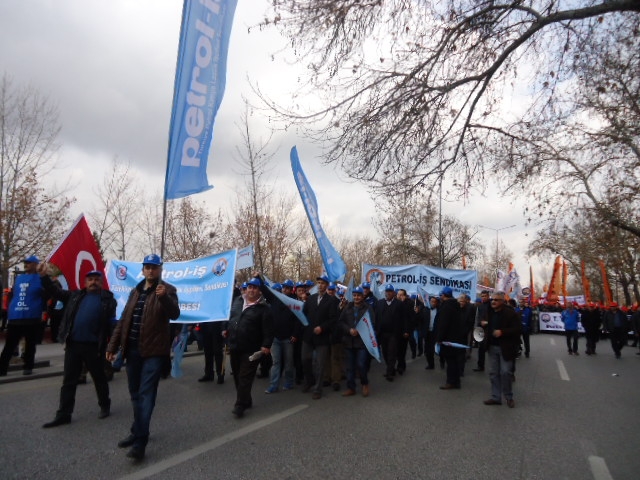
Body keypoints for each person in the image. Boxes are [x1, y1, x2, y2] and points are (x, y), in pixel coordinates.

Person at [106, 254, 180, 461]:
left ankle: (140, 442)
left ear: (160, 269)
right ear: (143, 270)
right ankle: (136, 430)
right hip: (132, 351)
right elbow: (123, 320)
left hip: (153, 353)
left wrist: (164, 297)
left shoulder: (167, 290)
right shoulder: (135, 291)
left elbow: (175, 314)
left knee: (146, 395)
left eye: (154, 267)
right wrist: (113, 345)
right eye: (147, 267)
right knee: (135, 394)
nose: (150, 270)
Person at [40, 267, 116, 428]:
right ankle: (64, 414)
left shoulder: (108, 300)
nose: (93, 282)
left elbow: (111, 325)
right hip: (73, 345)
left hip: (94, 347)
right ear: (85, 282)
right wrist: (44, 276)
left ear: (101, 282)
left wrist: (112, 347)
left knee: (99, 378)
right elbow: (55, 292)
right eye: (90, 279)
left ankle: (104, 405)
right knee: (69, 381)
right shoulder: (75, 296)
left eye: (96, 279)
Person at [226, 277, 273, 417]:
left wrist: (266, 345)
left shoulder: (264, 308)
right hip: (234, 345)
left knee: (244, 377)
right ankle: (246, 399)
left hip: (252, 349)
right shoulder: (237, 301)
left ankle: (240, 405)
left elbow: (269, 329)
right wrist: (225, 329)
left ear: (259, 291)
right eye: (249, 287)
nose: (251, 290)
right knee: (237, 376)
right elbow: (230, 317)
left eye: (255, 287)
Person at [0, 255, 49, 376]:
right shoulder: (19, 278)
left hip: (32, 316)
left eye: (29, 263)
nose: (26, 264)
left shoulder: (41, 279)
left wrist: (43, 310)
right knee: (10, 344)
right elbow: (13, 294)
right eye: (25, 262)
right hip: (16, 316)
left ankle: (28, 366)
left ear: (35, 265)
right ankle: (2, 368)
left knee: (30, 344)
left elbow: (47, 295)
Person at [481, 291, 521, 408]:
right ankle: (496, 397)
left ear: (502, 301)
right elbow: (484, 322)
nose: (493, 302)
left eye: (496, 300)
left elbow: (517, 329)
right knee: (493, 373)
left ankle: (509, 397)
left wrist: (502, 332)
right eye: (492, 299)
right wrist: (483, 323)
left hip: (506, 348)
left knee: (505, 372)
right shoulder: (489, 311)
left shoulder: (510, 313)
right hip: (492, 347)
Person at [301, 275, 339, 399]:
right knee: (305, 359)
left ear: (327, 285)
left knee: (320, 364)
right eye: (319, 283)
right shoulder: (311, 299)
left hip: (322, 337)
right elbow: (303, 314)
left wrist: (322, 328)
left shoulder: (331, 300)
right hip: (309, 336)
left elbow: (333, 319)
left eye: (323, 283)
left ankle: (318, 389)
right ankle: (309, 380)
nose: (320, 285)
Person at [260, 281, 300, 393]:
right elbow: (265, 291)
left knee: (289, 362)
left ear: (291, 289)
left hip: (288, 338)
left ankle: (289, 382)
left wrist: (295, 334)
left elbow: (298, 320)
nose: (285, 290)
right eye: (284, 287)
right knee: (276, 362)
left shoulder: (294, 302)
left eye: (287, 288)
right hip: (275, 337)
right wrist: (258, 278)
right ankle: (273, 385)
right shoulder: (275, 299)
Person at [339, 286, 374, 397]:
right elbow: (341, 322)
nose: (356, 297)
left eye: (358, 295)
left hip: (362, 342)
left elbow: (372, 323)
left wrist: (360, 331)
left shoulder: (368, 308)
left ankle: (365, 384)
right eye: (354, 295)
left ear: (362, 296)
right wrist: (349, 330)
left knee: (361, 364)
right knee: (349, 367)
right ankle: (351, 388)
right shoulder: (347, 308)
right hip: (348, 341)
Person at [374, 284, 407, 381]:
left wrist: (405, 330)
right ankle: (391, 369)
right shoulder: (380, 303)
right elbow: (376, 317)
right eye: (387, 291)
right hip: (383, 333)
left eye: (390, 291)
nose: (388, 293)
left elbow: (404, 318)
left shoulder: (399, 304)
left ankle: (389, 373)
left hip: (394, 333)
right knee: (385, 353)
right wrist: (376, 329)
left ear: (393, 293)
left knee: (391, 353)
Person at [435, 287, 464, 390]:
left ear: (443, 295)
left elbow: (443, 324)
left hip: (448, 338)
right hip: (455, 337)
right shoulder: (455, 304)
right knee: (454, 360)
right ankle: (456, 381)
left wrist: (439, 338)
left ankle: (451, 382)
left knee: (450, 361)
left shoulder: (446, 306)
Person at [197, 320, 227, 384]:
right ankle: (209, 374)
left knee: (217, 353)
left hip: (217, 328)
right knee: (207, 353)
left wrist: (224, 328)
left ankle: (220, 374)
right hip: (205, 328)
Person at [473, 290, 491, 372]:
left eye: (485, 296)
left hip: (490, 329)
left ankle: (495, 368)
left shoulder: (492, 305)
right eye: (482, 296)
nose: (483, 298)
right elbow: (477, 317)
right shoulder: (480, 306)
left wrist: (487, 322)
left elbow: (495, 317)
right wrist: (477, 327)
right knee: (481, 348)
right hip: (481, 329)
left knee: (491, 349)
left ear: (488, 296)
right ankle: (480, 366)